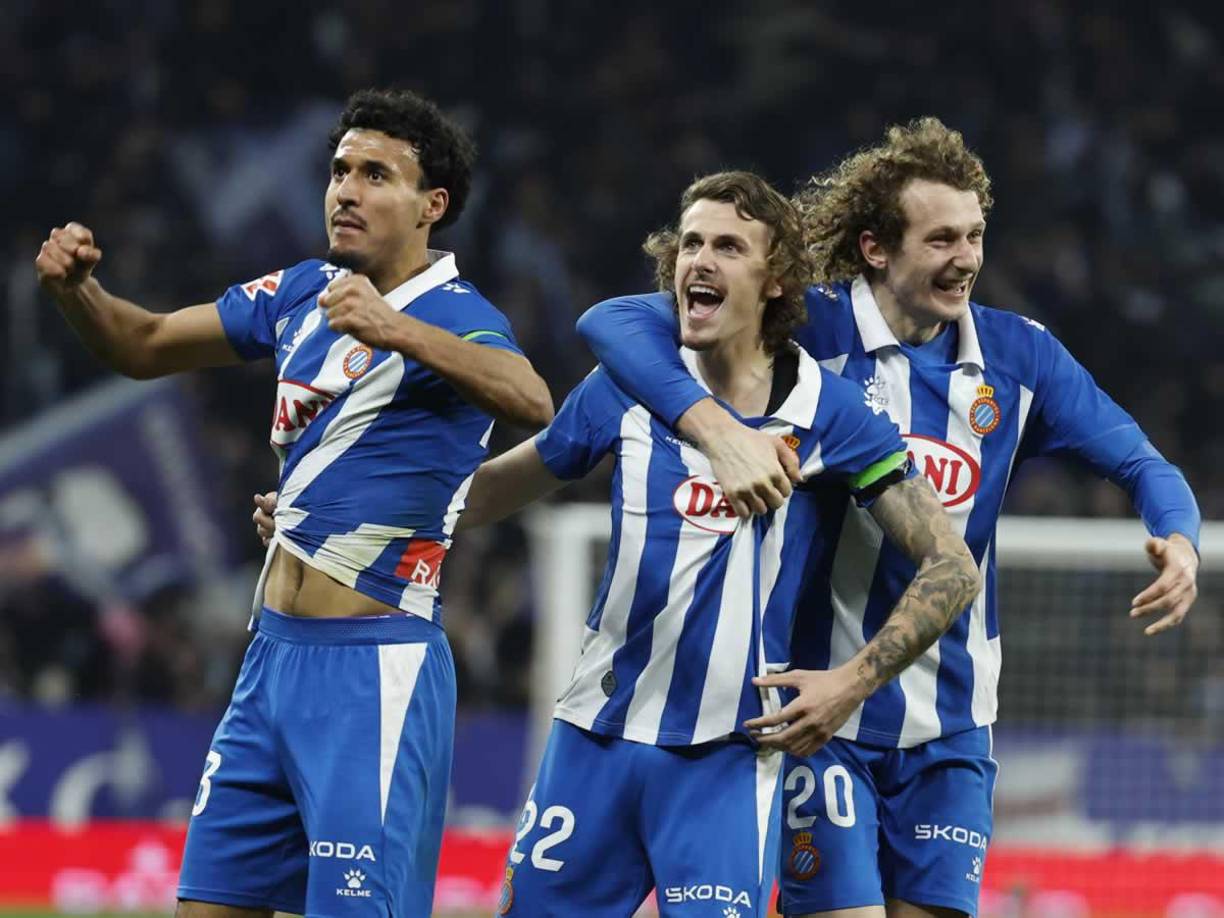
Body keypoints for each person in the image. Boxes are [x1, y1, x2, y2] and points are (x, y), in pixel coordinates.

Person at [575, 118, 1201, 918]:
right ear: (876, 248)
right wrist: (715, 426)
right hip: (817, 707)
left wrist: (1178, 538)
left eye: (976, 235)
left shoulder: (1021, 360)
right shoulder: (810, 329)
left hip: (951, 725)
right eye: (942, 239)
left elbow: (1143, 462)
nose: (968, 257)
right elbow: (615, 322)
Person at [35, 88, 553, 918]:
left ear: (433, 206)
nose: (346, 189)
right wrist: (77, 294)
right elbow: (146, 344)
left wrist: (396, 330)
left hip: (374, 668)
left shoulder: (458, 315)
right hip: (269, 661)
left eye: (375, 174)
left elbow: (531, 400)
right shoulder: (303, 291)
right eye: (340, 169)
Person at [422, 170, 976, 918]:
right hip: (596, 740)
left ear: (775, 280)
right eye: (689, 244)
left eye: (727, 246)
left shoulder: (831, 414)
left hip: (728, 759)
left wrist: (849, 684)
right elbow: (495, 488)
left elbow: (951, 566)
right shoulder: (628, 386)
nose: (699, 262)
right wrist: (347, 515)